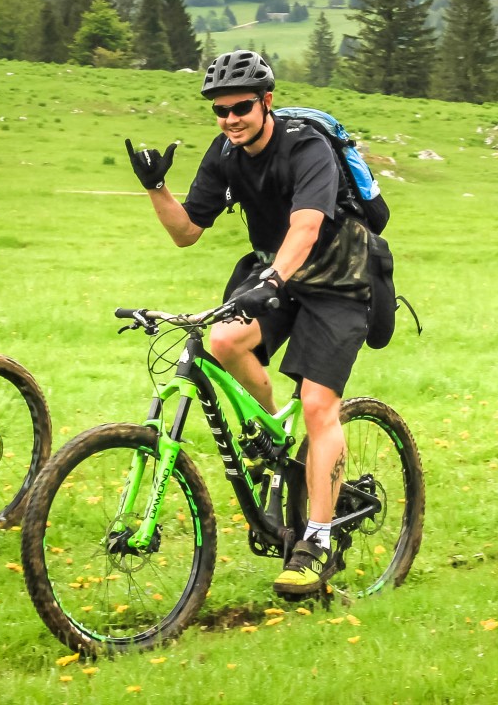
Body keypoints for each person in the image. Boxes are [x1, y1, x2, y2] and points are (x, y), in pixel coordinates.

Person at [125, 49, 379, 597]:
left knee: (317, 403)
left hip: (338, 281)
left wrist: (272, 279)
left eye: (241, 107)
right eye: (220, 111)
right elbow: (187, 231)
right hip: (276, 274)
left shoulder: (306, 147)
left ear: (266, 101)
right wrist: (156, 188)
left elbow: (307, 226)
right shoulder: (225, 153)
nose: (230, 119)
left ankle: (317, 540)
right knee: (221, 340)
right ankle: (270, 434)